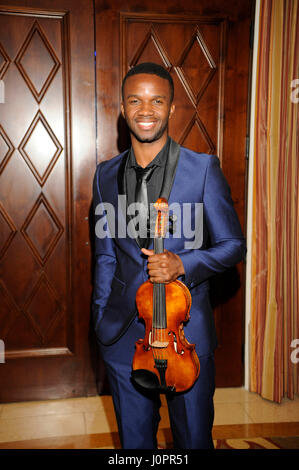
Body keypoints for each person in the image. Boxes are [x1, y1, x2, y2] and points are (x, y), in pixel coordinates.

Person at [92, 62, 246, 449]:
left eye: (157, 100)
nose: (146, 110)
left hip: (185, 334)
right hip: (124, 333)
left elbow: (234, 246)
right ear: (123, 109)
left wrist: (184, 264)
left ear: (172, 109)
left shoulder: (203, 169)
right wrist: (101, 319)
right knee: (134, 445)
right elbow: (105, 255)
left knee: (194, 440)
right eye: (136, 101)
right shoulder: (104, 175)